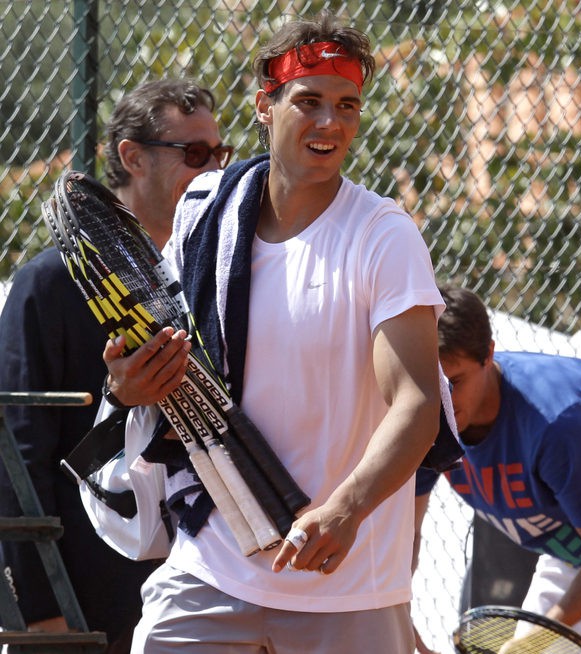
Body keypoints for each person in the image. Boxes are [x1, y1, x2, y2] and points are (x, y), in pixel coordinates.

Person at [103, 11, 444, 653]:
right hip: (213, 562)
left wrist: (343, 510)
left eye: (347, 105)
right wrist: (127, 383)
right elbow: (157, 354)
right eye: (308, 101)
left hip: (348, 581)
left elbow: (418, 403)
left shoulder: (383, 235)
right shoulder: (207, 212)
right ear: (266, 105)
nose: (330, 123)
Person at [0, 79, 227, 653]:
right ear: (132, 157)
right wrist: (41, 609)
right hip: (87, 592)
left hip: (203, 581)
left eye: (219, 155)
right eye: (193, 154)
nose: (210, 172)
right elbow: (16, 453)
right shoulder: (50, 283)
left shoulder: (213, 276)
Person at [413, 285, 581, 654]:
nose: (442, 398)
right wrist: (406, 633)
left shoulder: (556, 422)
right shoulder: (423, 413)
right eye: (431, 383)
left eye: (455, 382)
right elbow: (405, 542)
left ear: (489, 356)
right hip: (578, 547)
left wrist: (534, 640)